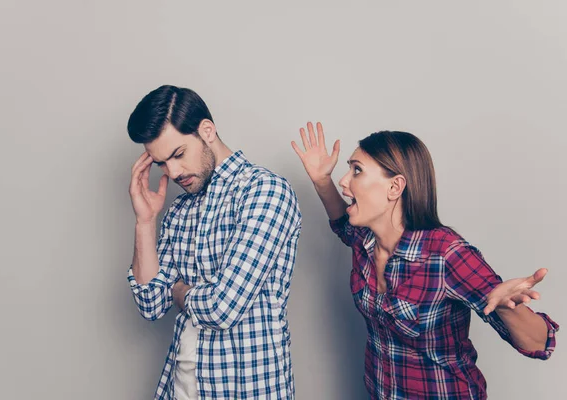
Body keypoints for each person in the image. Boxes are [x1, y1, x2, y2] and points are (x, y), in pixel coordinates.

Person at [291, 122, 558, 399]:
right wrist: (322, 180)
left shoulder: (445, 254)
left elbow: (540, 342)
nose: (344, 181)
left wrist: (506, 307)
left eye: (357, 170)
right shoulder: (365, 240)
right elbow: (343, 224)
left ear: (395, 187)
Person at [126, 85, 302, 400]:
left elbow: (223, 307)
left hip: (247, 390)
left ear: (207, 131)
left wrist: (179, 290)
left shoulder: (265, 192)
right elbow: (150, 303)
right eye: (162, 163)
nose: (174, 172)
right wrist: (146, 222)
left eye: (178, 154)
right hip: (179, 389)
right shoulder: (180, 210)